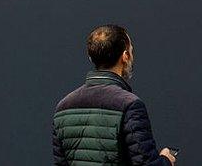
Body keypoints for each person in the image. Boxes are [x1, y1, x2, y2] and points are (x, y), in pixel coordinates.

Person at [53, 25, 176, 166]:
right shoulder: (130, 105)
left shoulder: (62, 108)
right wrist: (166, 160)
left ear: (90, 57)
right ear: (125, 56)